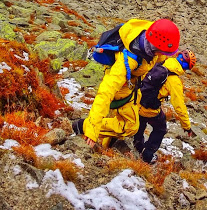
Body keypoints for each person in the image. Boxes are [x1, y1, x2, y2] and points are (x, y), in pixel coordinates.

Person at [72, 18, 180, 149]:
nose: (164, 55)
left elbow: (160, 57)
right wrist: (92, 128)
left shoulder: (150, 33)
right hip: (122, 89)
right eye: (163, 52)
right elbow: (106, 91)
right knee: (129, 126)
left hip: (132, 86)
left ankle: (106, 147)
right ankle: (83, 126)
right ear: (155, 46)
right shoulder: (128, 61)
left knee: (128, 123)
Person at [133, 49, 196, 164]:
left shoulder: (162, 63)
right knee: (160, 128)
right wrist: (186, 126)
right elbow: (179, 106)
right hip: (150, 108)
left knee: (141, 121)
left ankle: (137, 143)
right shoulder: (174, 80)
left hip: (138, 101)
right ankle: (148, 154)